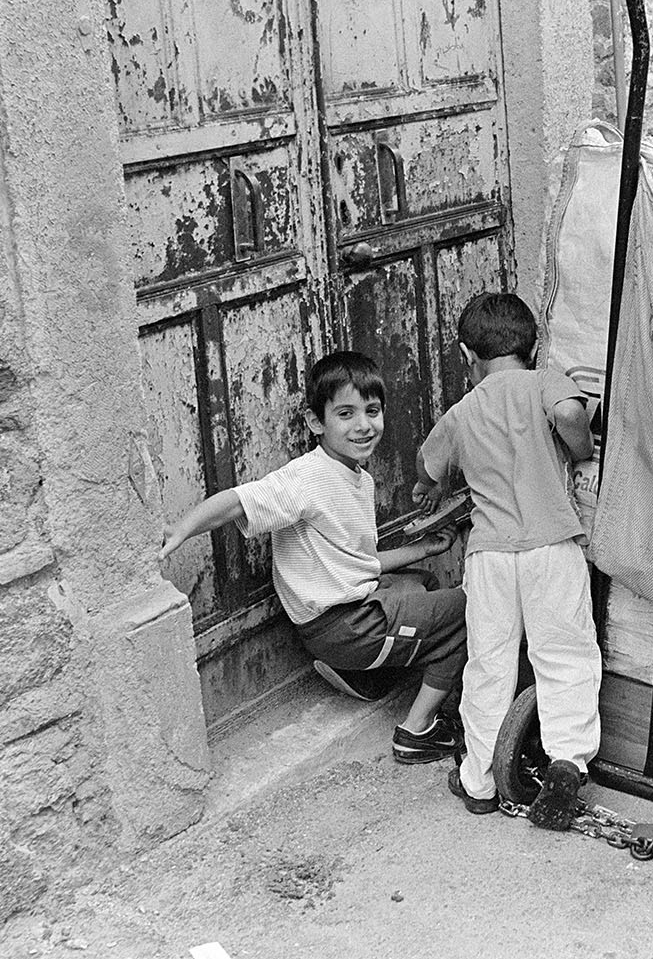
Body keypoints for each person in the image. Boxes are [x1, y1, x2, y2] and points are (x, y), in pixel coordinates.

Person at [160, 351, 469, 765]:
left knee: (425, 582)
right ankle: (417, 731)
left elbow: (355, 562)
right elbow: (237, 501)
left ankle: (366, 676)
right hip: (349, 626)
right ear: (314, 422)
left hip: (337, 625)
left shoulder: (356, 475)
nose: (363, 425)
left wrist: (424, 549)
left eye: (371, 411)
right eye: (345, 413)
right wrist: (182, 528)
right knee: (471, 610)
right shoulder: (306, 478)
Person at [414, 292, 602, 830]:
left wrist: (430, 489)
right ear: (534, 345)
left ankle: (478, 781)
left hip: (490, 556)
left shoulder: (460, 411)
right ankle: (566, 764)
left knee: (489, 664)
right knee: (564, 655)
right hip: (550, 547)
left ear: (466, 354)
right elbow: (569, 413)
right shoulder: (545, 379)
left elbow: (428, 467)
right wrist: (579, 447)